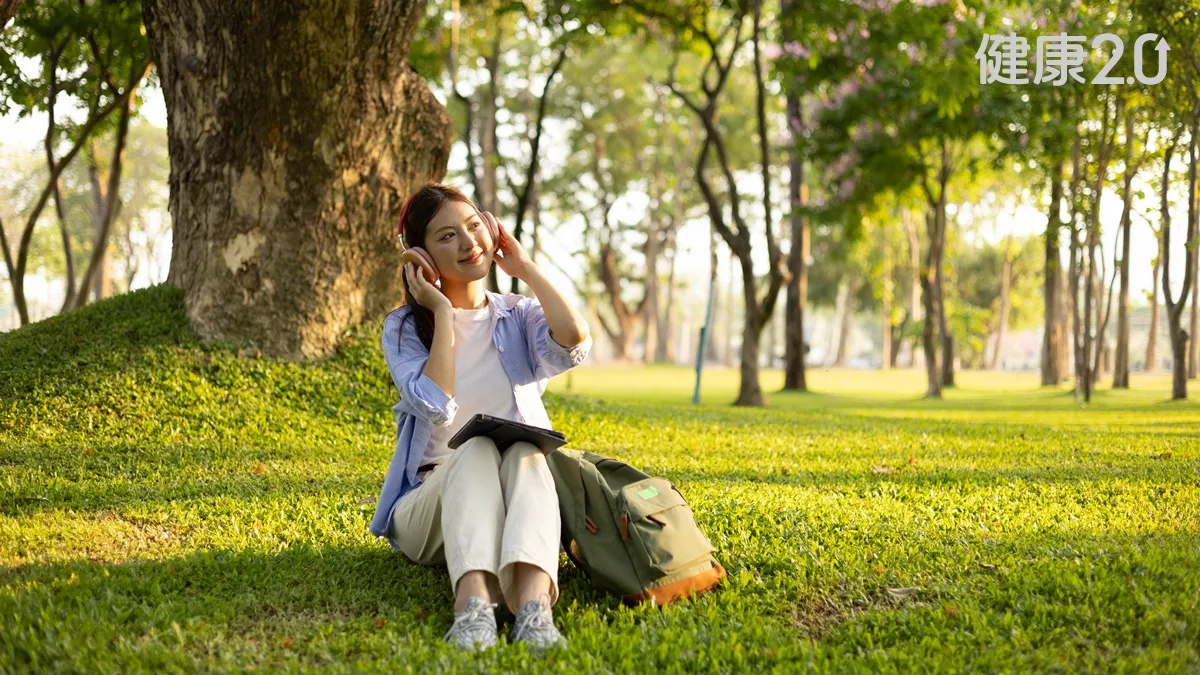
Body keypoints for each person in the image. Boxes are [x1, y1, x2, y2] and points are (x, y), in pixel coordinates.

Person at [368, 182, 592, 651]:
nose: (468, 243)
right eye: (447, 236)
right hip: (429, 504)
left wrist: (524, 267)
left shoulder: (518, 315)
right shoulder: (406, 328)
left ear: (492, 232)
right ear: (420, 257)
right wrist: (443, 313)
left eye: (474, 227)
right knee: (474, 448)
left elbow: (572, 342)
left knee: (528, 449)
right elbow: (434, 401)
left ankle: (534, 610)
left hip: (513, 494)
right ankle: (473, 609)